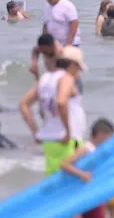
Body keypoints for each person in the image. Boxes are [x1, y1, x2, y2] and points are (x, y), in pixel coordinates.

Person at [59, 118, 114, 218]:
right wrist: (81, 174)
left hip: (94, 195)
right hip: (89, 197)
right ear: (100, 134)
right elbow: (64, 164)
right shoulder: (86, 148)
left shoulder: (96, 150)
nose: (109, 141)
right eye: (108, 137)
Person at [26, 46, 87, 174]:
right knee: (72, 184)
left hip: (49, 141)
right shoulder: (66, 78)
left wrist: (35, 131)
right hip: (68, 141)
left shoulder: (45, 78)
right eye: (78, 68)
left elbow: (24, 104)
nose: (79, 72)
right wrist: (68, 131)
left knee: (54, 182)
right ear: (72, 64)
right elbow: (61, 101)